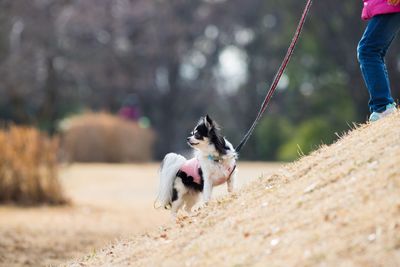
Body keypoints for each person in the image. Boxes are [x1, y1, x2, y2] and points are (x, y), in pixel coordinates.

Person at [357, 0, 400, 121]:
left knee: (368, 50)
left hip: (389, 4)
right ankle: (384, 105)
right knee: (371, 50)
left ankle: (383, 107)